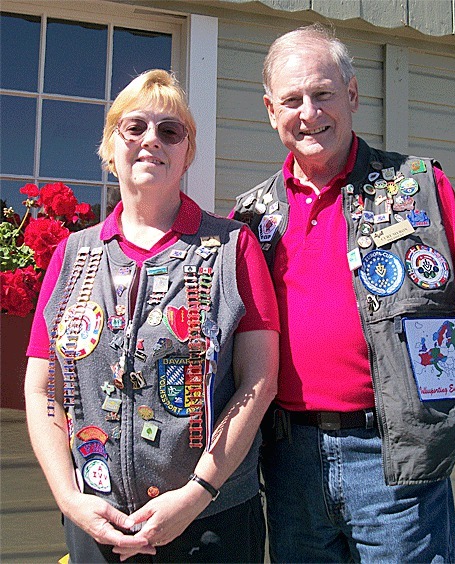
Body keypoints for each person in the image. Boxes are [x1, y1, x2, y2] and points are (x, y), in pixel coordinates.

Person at [232, 24, 455, 563]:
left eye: (323, 93)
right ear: (269, 110)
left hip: (394, 458)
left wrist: (443, 410)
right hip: (290, 463)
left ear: (351, 95)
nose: (309, 112)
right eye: (291, 100)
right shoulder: (251, 217)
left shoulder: (417, 184)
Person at [25, 69, 279, 563]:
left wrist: (197, 492)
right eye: (134, 127)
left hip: (210, 524)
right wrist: (69, 498)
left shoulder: (232, 247)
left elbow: (260, 380)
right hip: (96, 522)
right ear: (110, 145)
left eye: (170, 130)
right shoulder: (72, 255)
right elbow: (42, 388)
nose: (151, 141)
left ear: (187, 152)